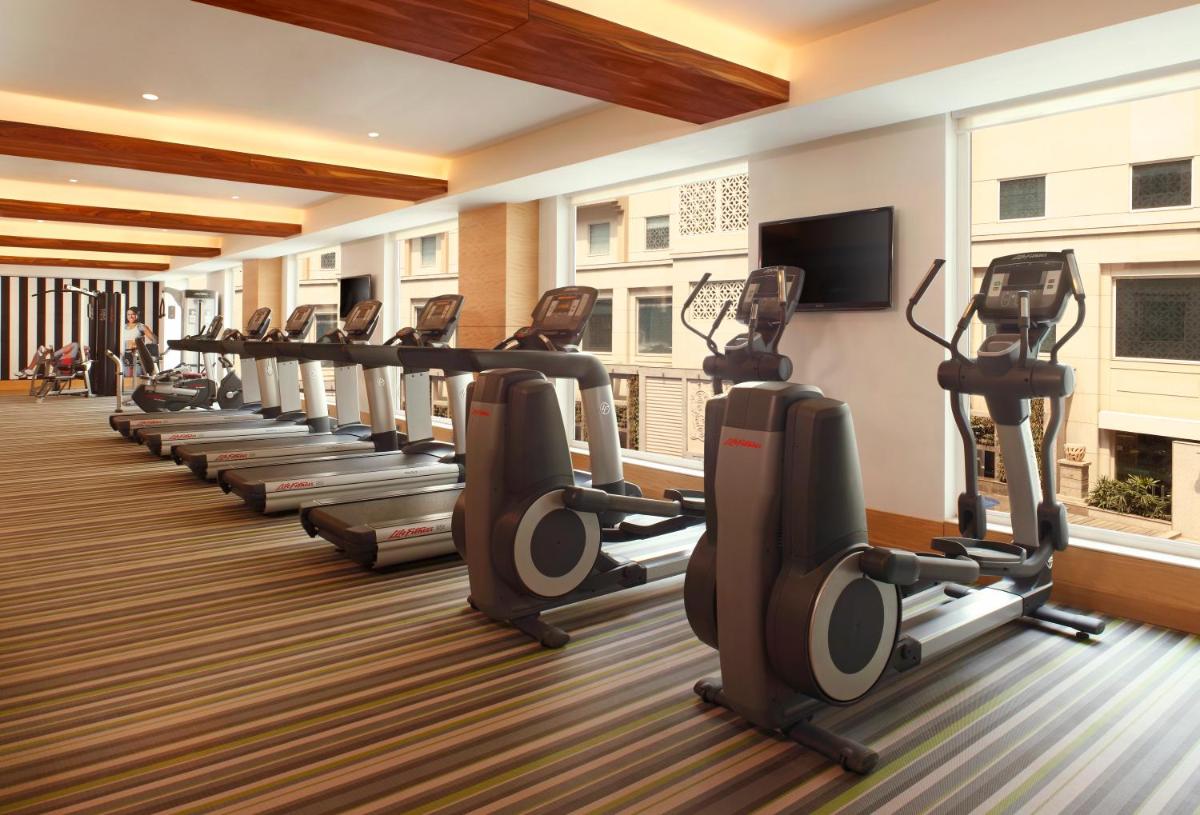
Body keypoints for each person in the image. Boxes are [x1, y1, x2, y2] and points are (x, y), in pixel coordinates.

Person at [122, 307, 158, 383]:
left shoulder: (140, 326)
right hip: (124, 355)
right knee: (125, 377)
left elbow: (155, 340)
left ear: (137, 315)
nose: (130, 316)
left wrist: (141, 346)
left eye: (133, 314)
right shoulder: (123, 326)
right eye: (128, 314)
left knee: (136, 378)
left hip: (136, 356)